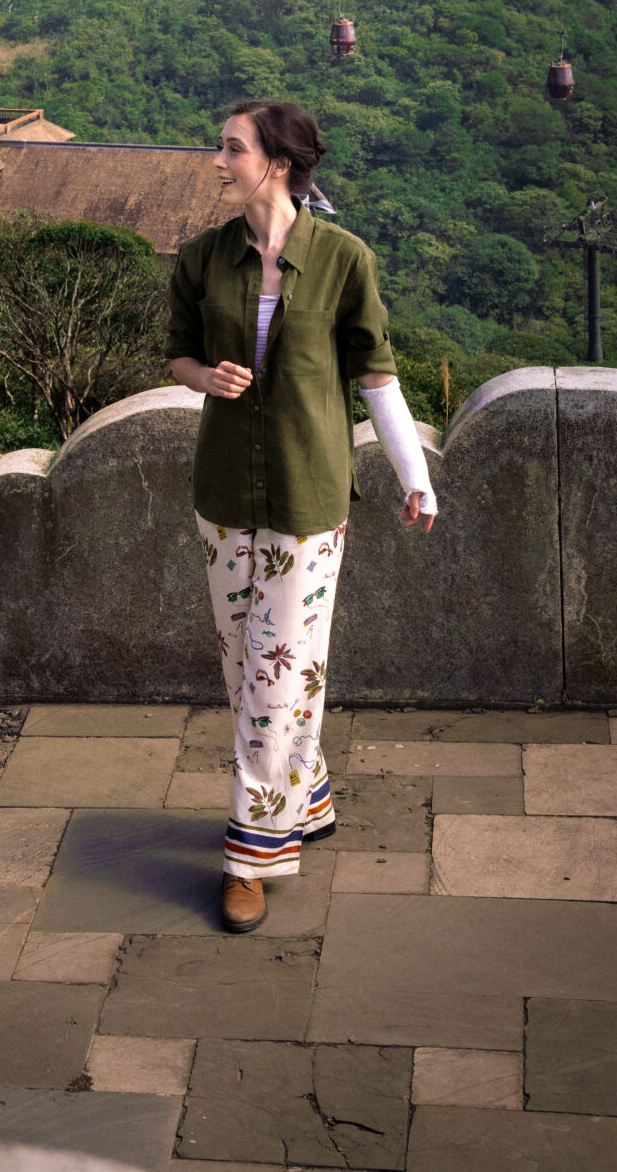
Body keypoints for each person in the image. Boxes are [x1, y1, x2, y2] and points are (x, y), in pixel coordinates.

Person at [167, 98, 437, 932]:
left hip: (310, 498)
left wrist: (415, 477)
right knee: (246, 671)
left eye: (231, 148)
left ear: (276, 162)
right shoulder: (202, 257)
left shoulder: (345, 259)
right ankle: (307, 794)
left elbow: (377, 376)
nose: (217, 161)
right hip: (223, 495)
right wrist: (202, 378)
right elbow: (174, 351)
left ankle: (253, 853)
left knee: (277, 674)